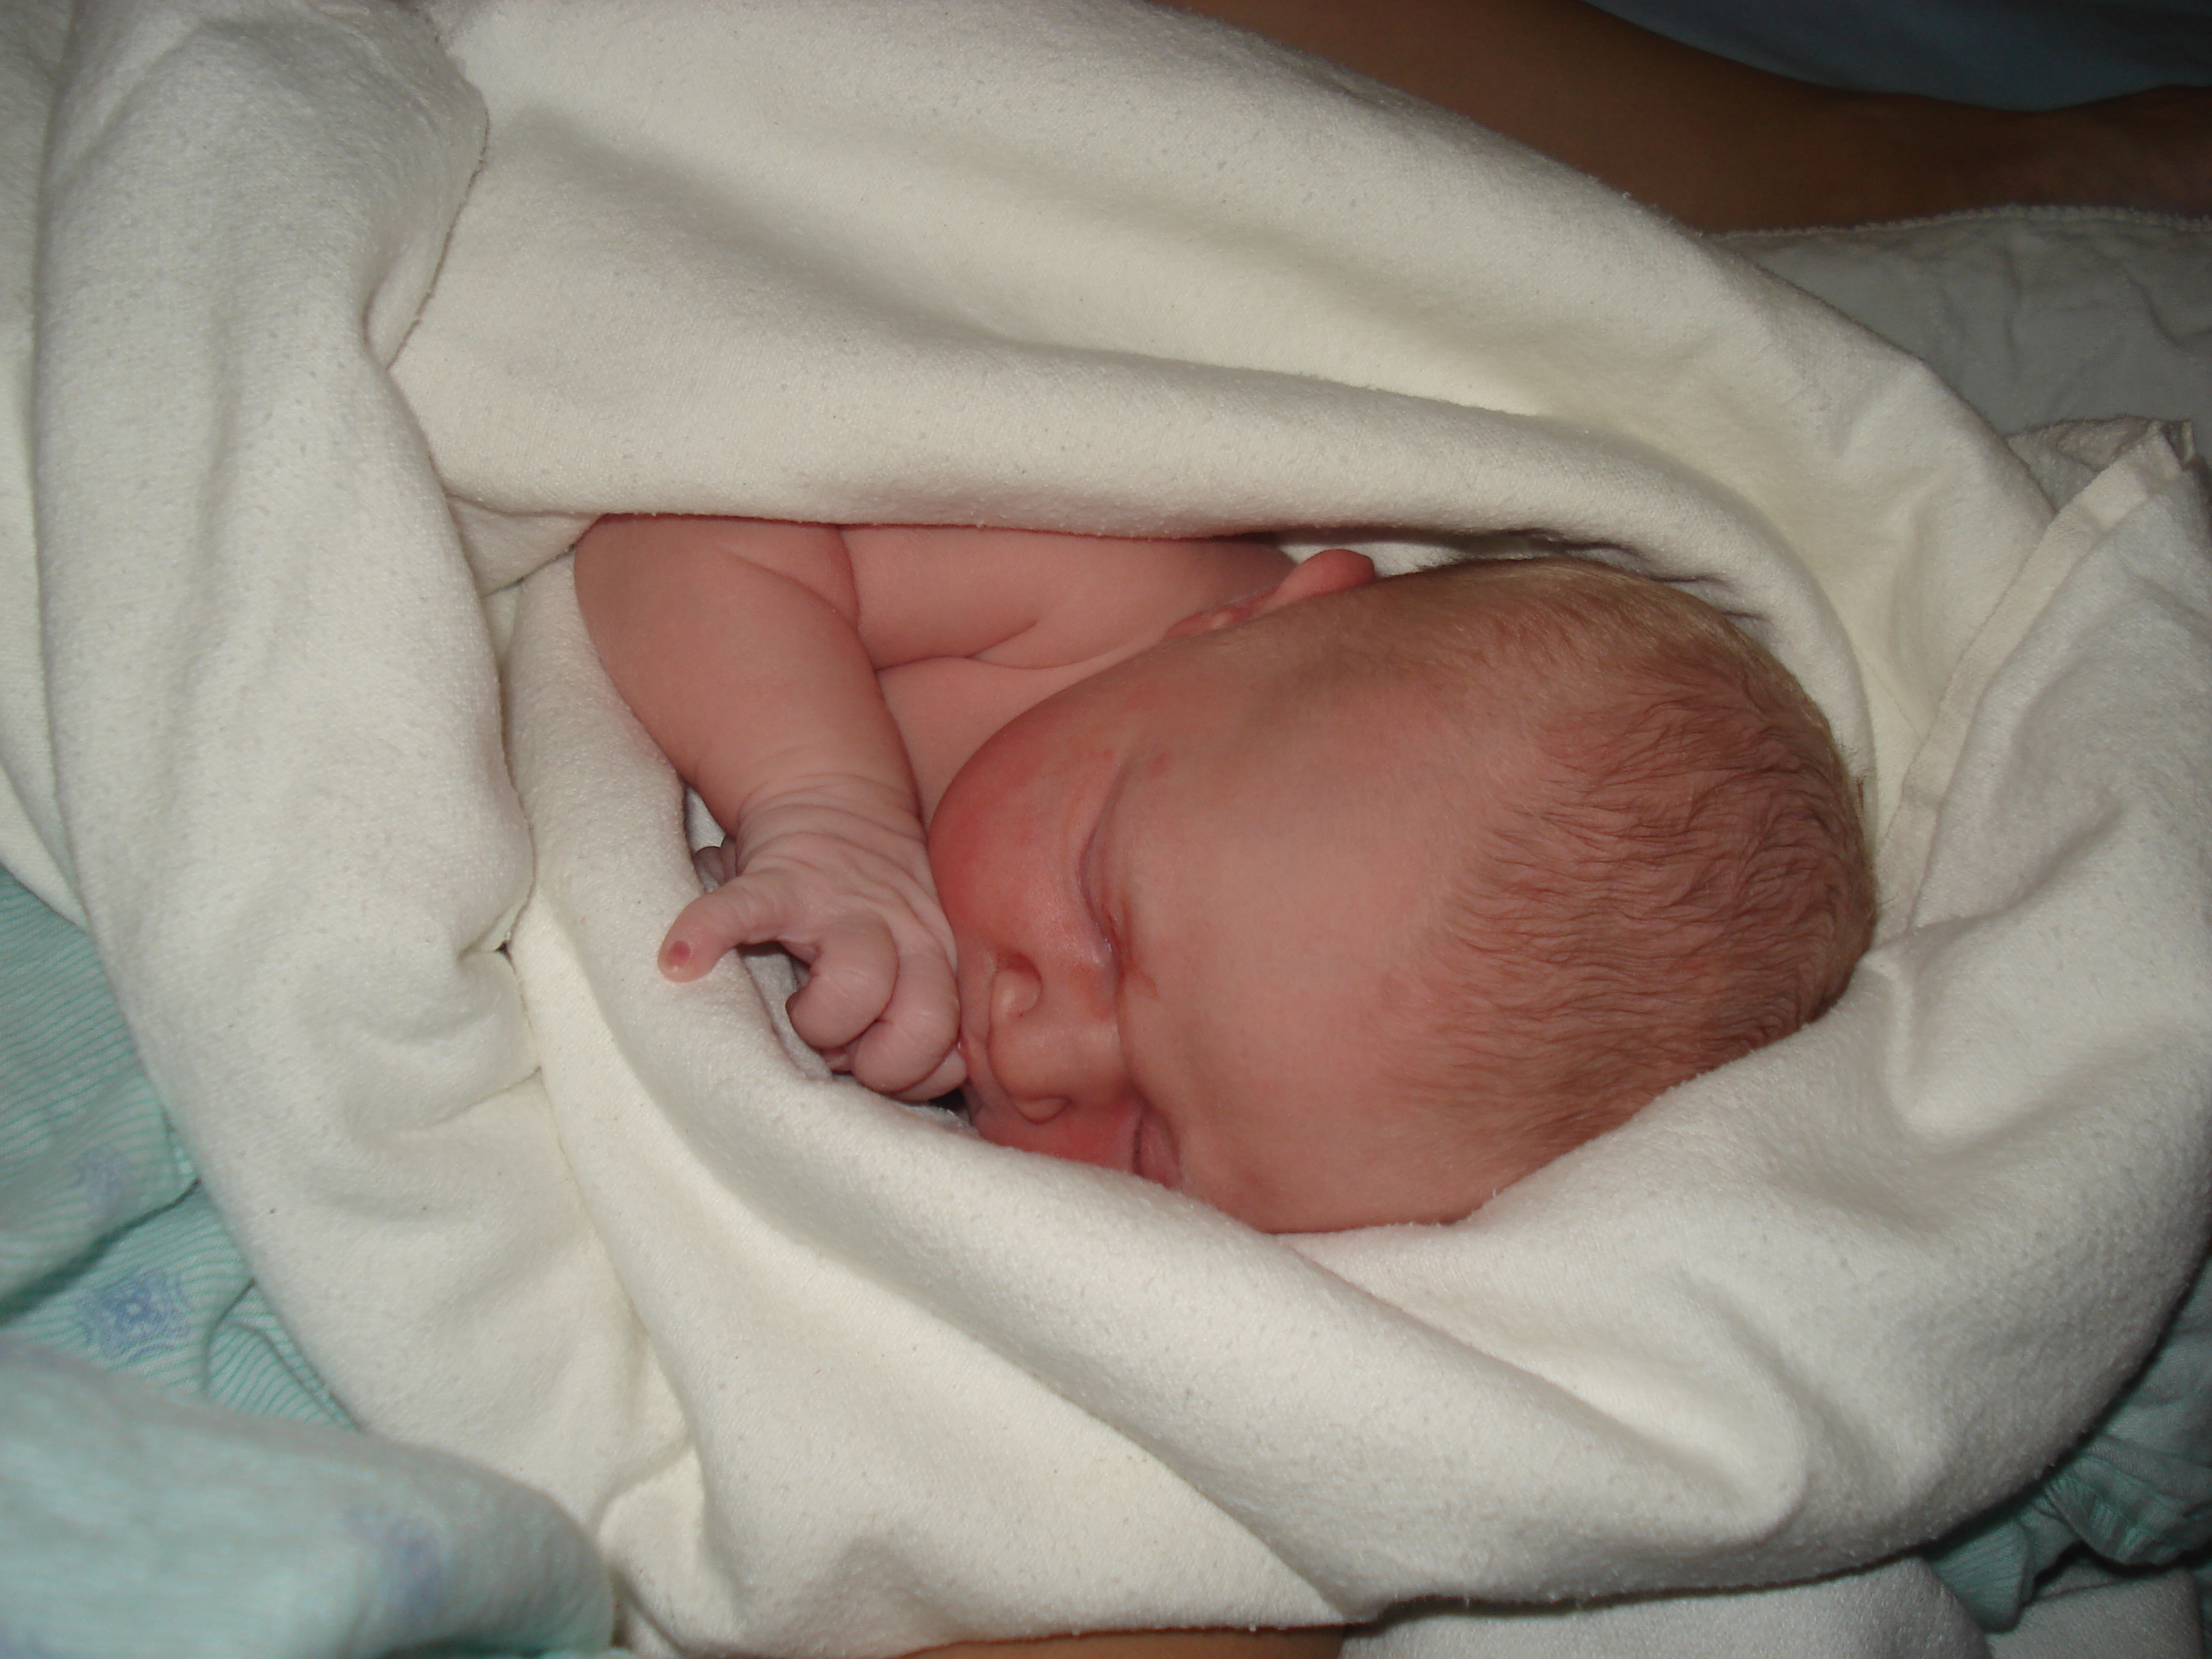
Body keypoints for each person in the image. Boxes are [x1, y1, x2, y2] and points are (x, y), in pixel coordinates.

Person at [576, 517, 1873, 1236]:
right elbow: (686, 533)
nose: (1035, 1056)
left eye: (1151, 1148)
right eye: (1105, 919)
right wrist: (825, 802)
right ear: (1245, 628)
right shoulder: (1107, 591)